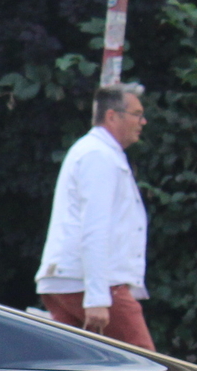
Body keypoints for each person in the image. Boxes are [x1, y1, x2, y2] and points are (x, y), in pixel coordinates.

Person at [36, 82, 154, 350]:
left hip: (69, 280)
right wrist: (98, 297)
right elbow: (95, 228)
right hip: (89, 283)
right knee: (147, 368)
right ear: (112, 115)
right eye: (137, 114)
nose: (143, 121)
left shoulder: (97, 152)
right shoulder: (98, 156)